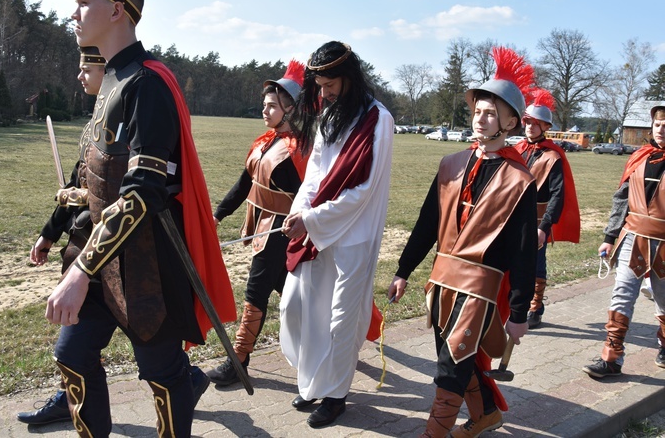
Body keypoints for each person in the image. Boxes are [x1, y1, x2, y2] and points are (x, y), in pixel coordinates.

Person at [44, 0, 236, 437]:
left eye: (83, 2)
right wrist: (63, 228)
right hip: (101, 256)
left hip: (148, 262)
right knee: (71, 353)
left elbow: (142, 194)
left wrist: (80, 272)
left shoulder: (147, 85)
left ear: (116, 9)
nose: (73, 12)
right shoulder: (110, 80)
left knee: (162, 374)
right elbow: (101, 177)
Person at [388, 47, 537, 438]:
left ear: (510, 121)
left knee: (451, 365)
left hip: (479, 289)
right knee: (454, 356)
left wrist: (519, 312)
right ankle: (486, 414)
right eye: (477, 111)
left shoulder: (519, 179)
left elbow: (524, 251)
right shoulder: (451, 164)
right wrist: (404, 270)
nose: (481, 118)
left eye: (491, 112)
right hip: (442, 281)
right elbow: (426, 223)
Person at [279, 41, 393, 428]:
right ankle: (312, 382)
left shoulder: (379, 119)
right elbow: (314, 173)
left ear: (349, 79)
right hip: (316, 227)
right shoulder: (328, 115)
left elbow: (363, 190)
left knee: (341, 318)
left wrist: (312, 219)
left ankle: (335, 395)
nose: (323, 94)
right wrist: (300, 211)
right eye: (320, 86)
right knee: (298, 307)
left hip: (354, 236)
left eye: (329, 86)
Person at [206, 61, 309, 386]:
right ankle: (325, 343)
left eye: (272, 106)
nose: (265, 110)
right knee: (288, 291)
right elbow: (243, 185)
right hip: (264, 225)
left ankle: (238, 360)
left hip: (281, 230)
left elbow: (309, 197)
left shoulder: (298, 151)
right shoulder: (265, 142)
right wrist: (217, 215)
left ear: (290, 109)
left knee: (256, 290)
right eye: (264, 105)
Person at [19, 46, 105, 426]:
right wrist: (49, 234)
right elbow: (77, 182)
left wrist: (84, 196)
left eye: (87, 67)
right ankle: (68, 398)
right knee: (74, 347)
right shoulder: (94, 125)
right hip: (83, 254)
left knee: (152, 346)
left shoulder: (131, 118)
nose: (79, 75)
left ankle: (184, 378)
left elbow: (137, 194)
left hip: (124, 257)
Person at [583, 103, 665, 378]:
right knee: (623, 294)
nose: (661, 129)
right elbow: (621, 201)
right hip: (634, 237)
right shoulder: (641, 157)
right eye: (657, 125)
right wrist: (609, 237)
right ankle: (611, 358)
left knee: (664, 301)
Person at [513, 88, 580, 329]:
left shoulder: (554, 156)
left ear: (545, 127)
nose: (530, 127)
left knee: (535, 264)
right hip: (513, 217)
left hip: (538, 220)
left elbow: (558, 195)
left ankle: (535, 307)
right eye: (527, 122)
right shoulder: (518, 149)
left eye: (535, 123)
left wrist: (544, 227)